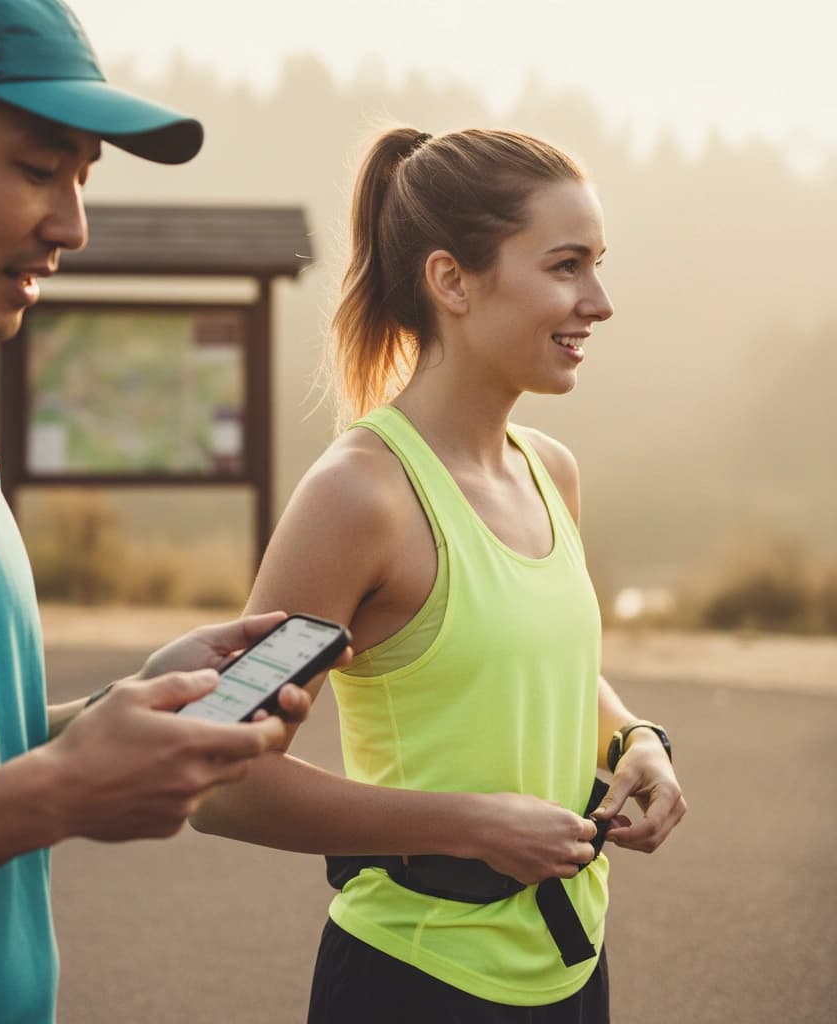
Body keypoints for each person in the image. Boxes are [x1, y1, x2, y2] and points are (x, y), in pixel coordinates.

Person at [0, 1, 323, 1021]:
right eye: (40, 169)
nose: (73, 226)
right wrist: (63, 793)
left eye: (84, 178)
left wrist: (121, 709)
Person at [191, 127, 687, 1022]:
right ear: (452, 280)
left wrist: (635, 740)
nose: (600, 301)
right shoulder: (359, 497)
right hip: (414, 982)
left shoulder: (550, 470)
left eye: (598, 265)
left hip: (572, 971)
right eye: (566, 266)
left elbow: (529, 665)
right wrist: (468, 825)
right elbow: (221, 782)